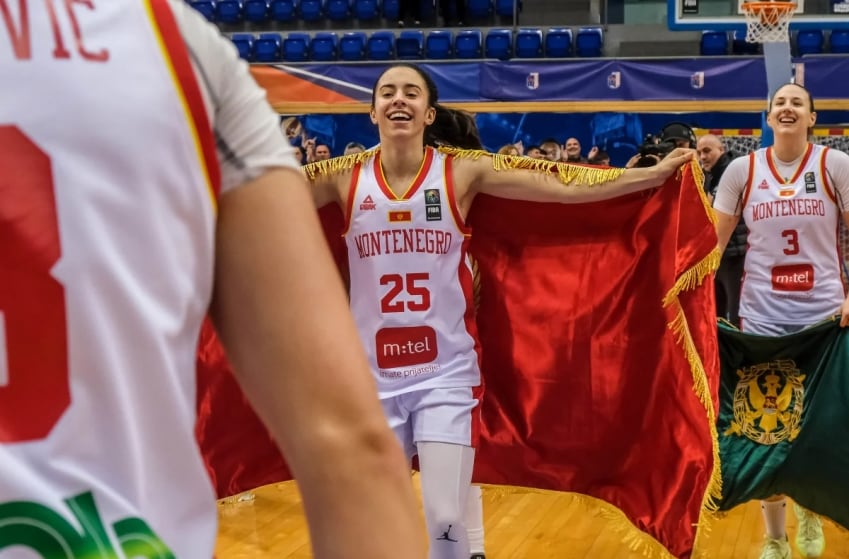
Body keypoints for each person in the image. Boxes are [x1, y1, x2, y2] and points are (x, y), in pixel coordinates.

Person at [0, 3, 425, 559]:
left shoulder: (452, 169)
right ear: (370, 112)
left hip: (434, 356)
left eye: (410, 94)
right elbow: (351, 448)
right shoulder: (173, 44)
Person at [303, 62, 694, 559]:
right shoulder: (342, 177)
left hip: (443, 373)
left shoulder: (462, 172)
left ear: (428, 113)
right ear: (372, 111)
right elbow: (257, 200)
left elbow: (566, 185)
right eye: (387, 93)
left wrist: (643, 177)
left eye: (410, 93)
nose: (398, 100)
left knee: (445, 519)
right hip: (369, 380)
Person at [713, 82, 849, 559]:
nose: (787, 108)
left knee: (821, 427)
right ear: (768, 118)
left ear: (813, 118)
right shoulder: (740, 170)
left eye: (797, 103)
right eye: (780, 103)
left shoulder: (835, 166)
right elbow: (711, 245)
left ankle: (810, 509)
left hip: (826, 321)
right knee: (762, 430)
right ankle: (775, 538)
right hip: (762, 321)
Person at [698, 133, 746, 326]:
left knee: (736, 315)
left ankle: (739, 355)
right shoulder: (710, 176)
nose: (702, 157)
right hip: (719, 256)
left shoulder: (731, 172)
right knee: (715, 315)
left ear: (721, 150)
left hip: (736, 257)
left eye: (707, 151)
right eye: (699, 152)